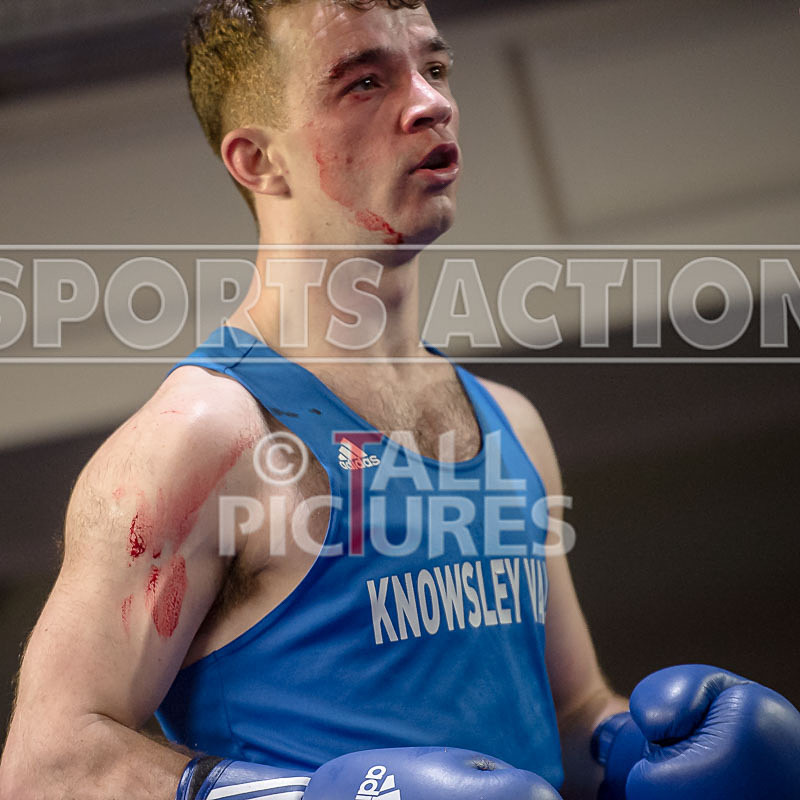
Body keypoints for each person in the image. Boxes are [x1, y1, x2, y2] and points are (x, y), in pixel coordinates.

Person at [1, 2, 799, 800]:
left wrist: (630, 747)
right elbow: (48, 762)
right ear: (259, 161)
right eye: (365, 82)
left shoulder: (510, 424)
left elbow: (569, 710)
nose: (431, 102)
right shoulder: (204, 439)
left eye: (435, 68)